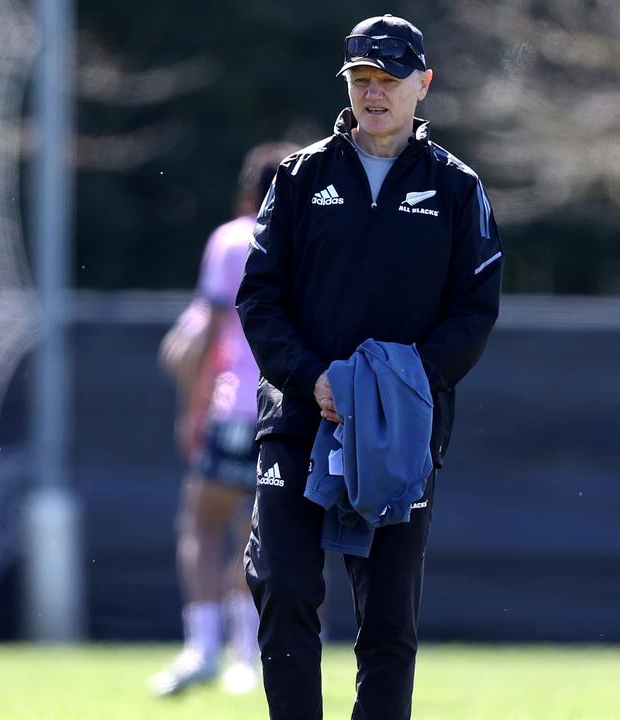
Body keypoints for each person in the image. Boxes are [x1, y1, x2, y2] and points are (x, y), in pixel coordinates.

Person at [236, 14, 502, 719]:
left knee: (386, 619)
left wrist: (397, 387)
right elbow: (259, 298)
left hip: (399, 435)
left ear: (423, 84)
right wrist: (313, 378)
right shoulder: (299, 178)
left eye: (388, 79)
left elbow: (475, 311)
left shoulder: (456, 187)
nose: (373, 93)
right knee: (284, 586)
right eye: (361, 79)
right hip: (297, 419)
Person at [150, 141, 297, 697]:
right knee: (265, 534)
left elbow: (203, 337)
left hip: (236, 407)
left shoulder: (234, 238)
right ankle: (250, 656)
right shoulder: (312, 237)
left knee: (204, 522)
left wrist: (191, 409)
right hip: (296, 409)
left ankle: (202, 646)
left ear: (246, 190)